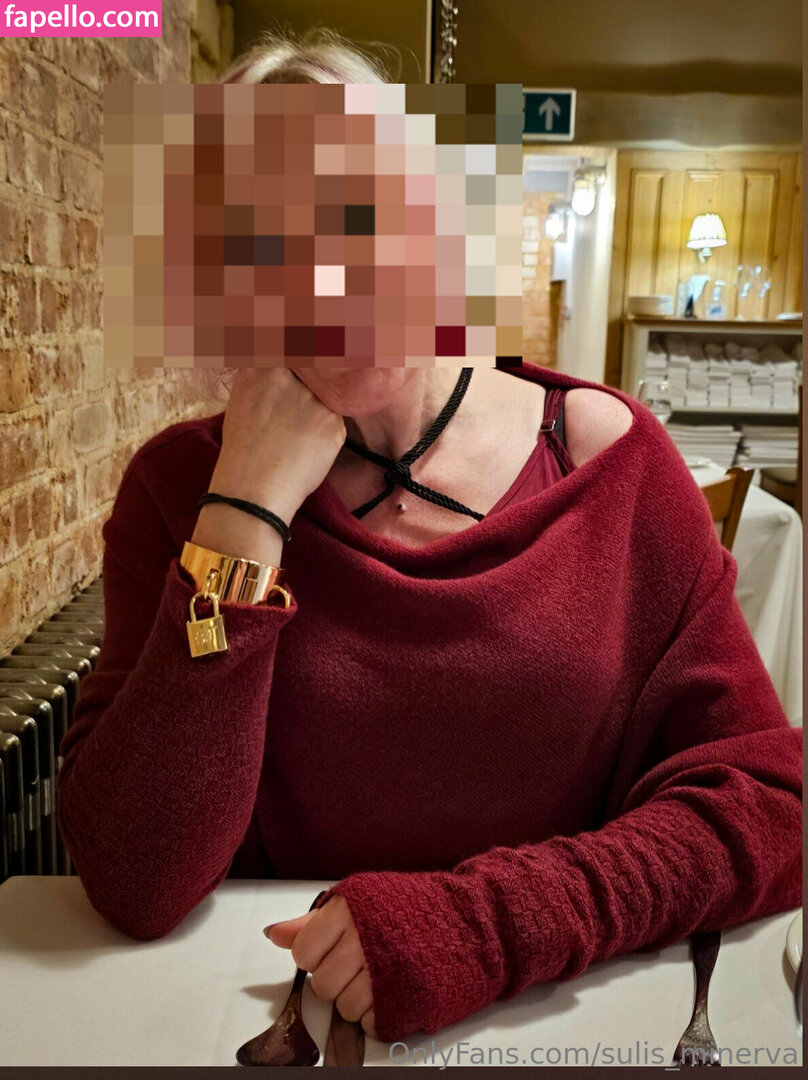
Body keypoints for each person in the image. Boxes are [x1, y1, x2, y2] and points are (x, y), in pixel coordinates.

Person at [56, 28, 802, 1045]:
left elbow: (767, 802)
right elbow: (136, 877)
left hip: (567, 1009)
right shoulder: (182, 488)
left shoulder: (603, 457)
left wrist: (482, 927)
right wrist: (247, 509)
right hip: (282, 1017)